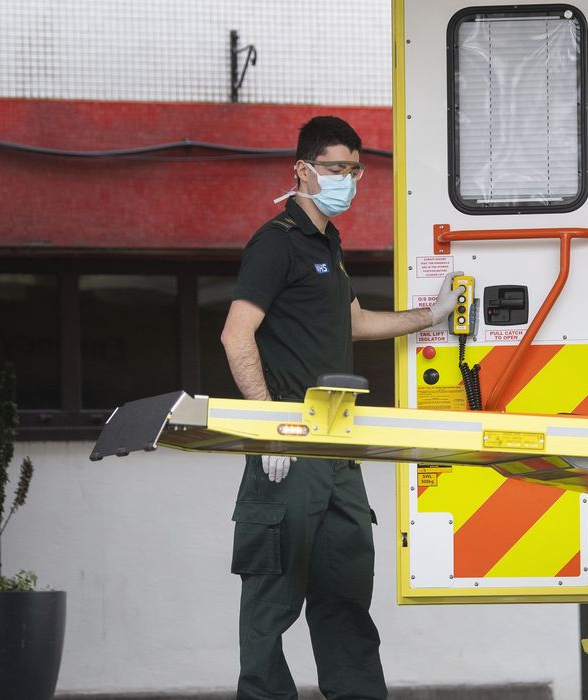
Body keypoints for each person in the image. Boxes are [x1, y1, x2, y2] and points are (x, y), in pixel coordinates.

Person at [220, 116, 461, 700]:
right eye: (333, 169)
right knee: (269, 614)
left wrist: (430, 315)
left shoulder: (327, 244)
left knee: (347, 604)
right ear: (301, 170)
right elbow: (236, 335)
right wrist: (269, 430)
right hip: (288, 454)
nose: (345, 180)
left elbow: (354, 321)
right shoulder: (276, 242)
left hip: (338, 456)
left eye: (353, 170)